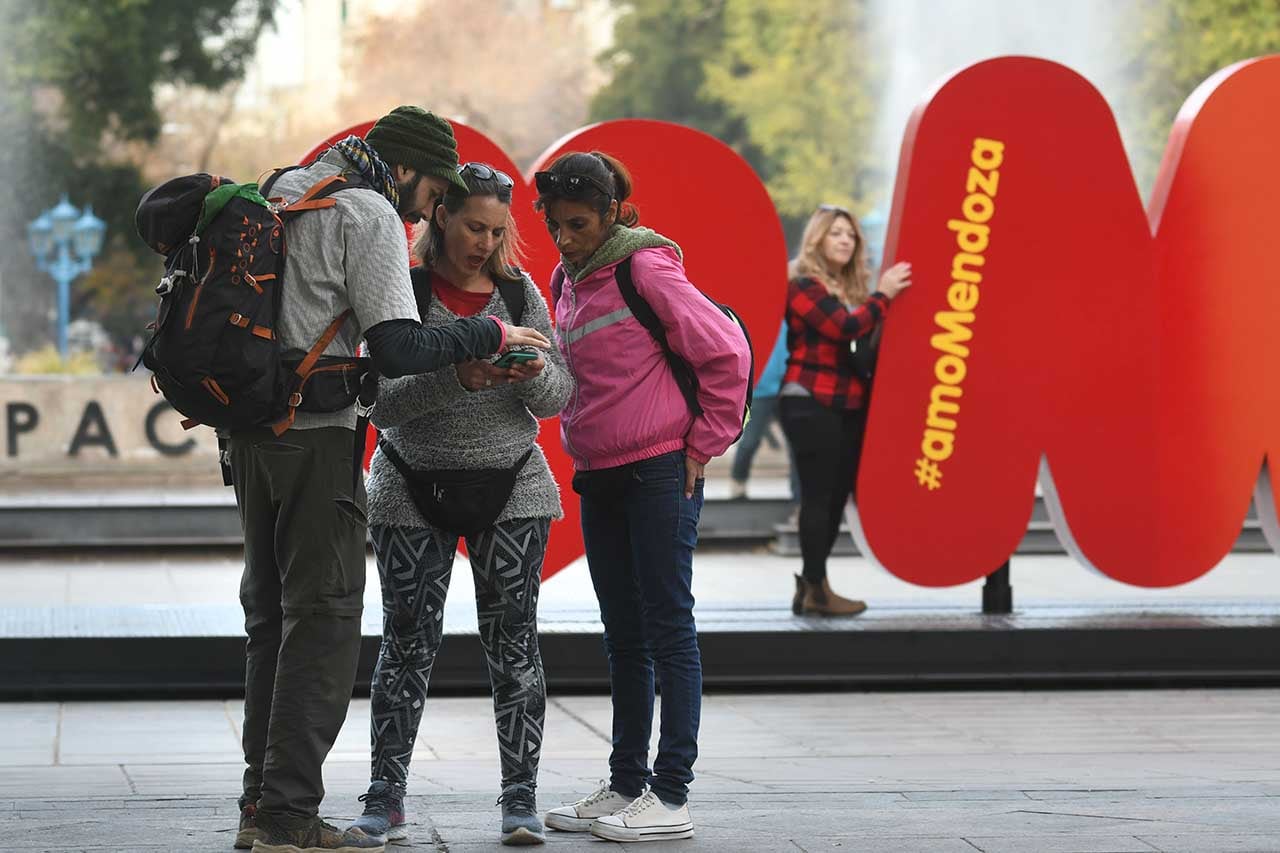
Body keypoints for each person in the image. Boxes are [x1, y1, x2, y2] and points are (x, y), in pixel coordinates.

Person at [230, 107, 551, 853]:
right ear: (405, 167)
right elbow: (398, 348)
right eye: (435, 190)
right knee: (326, 618)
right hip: (313, 438)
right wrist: (488, 336)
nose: (432, 207)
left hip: (251, 438)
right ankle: (286, 817)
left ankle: (259, 807)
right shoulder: (369, 210)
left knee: (271, 620)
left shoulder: (291, 184)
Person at [348, 162, 571, 847]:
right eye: (474, 225)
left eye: (497, 230)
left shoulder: (518, 290)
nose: (484, 241)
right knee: (406, 643)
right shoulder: (401, 291)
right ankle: (385, 796)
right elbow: (378, 402)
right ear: (440, 214)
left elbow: (559, 395)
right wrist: (459, 378)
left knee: (515, 644)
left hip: (514, 485)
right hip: (410, 484)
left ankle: (521, 798)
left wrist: (531, 378)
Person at [534, 151, 750, 843]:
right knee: (624, 636)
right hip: (599, 472)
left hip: (660, 471)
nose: (565, 238)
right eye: (555, 224)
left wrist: (701, 447)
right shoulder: (566, 280)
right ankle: (627, 782)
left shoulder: (645, 267)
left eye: (579, 223)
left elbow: (726, 355)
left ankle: (671, 793)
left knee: (667, 627)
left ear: (613, 213)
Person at [778, 204, 911, 617]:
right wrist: (885, 294)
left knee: (834, 500)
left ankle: (815, 585)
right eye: (836, 233)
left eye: (850, 236)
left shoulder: (847, 289)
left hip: (846, 405)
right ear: (818, 238)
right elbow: (844, 327)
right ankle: (814, 587)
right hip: (811, 401)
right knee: (818, 498)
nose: (844, 240)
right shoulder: (802, 283)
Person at [728, 320, 799, 502]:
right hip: (761, 390)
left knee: (795, 445)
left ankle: (798, 496)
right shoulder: (759, 319)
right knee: (750, 441)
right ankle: (738, 483)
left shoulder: (790, 320)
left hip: (786, 389)